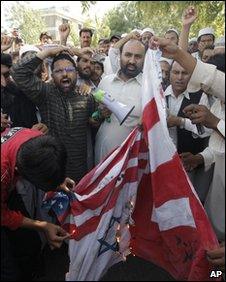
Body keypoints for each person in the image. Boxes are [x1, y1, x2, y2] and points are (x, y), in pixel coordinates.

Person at [149, 35, 225, 272]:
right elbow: (217, 150)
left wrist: (215, 123)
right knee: (214, 266)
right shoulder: (218, 104)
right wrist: (199, 158)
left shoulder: (215, 109)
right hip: (218, 210)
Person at [11, 46, 96, 183]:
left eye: (69, 70)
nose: (65, 74)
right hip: (53, 169)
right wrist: (47, 52)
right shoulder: (45, 93)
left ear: (76, 73)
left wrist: (102, 114)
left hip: (80, 169)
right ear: (52, 75)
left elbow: (94, 123)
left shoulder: (86, 96)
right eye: (59, 71)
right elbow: (17, 72)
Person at [1, 127, 70, 280]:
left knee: (29, 243)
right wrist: (42, 225)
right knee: (8, 270)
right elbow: (3, 215)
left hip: (8, 188)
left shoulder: (37, 140)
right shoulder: (3, 173)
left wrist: (58, 180)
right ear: (21, 172)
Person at [95, 39, 145, 164]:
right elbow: (94, 118)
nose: (132, 61)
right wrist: (100, 114)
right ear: (120, 56)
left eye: (138, 56)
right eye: (128, 55)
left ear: (144, 59)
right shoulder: (105, 81)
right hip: (102, 156)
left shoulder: (150, 88)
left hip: (131, 162)